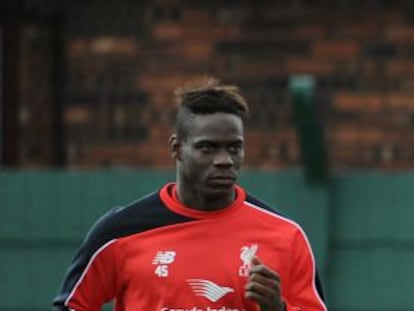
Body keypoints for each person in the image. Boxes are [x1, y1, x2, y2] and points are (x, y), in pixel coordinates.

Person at [52, 77, 327, 311]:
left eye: (234, 148)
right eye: (208, 148)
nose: (224, 160)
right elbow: (71, 305)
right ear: (177, 148)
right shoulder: (120, 232)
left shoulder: (285, 237)